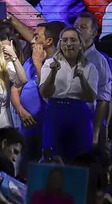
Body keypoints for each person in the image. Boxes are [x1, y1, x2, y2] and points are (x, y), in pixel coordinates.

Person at [13, 22, 66, 175]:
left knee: (42, 176)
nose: (32, 41)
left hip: (47, 131)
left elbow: (49, 94)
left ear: (49, 41)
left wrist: (38, 63)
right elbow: (15, 89)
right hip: (27, 130)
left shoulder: (60, 63)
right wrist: (20, 110)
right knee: (23, 175)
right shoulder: (29, 61)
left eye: (37, 37)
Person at [39, 28, 98, 162]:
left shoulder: (90, 67)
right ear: (60, 44)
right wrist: (53, 73)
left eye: (73, 40)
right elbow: (45, 92)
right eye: (64, 40)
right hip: (55, 112)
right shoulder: (49, 64)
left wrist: (82, 78)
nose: (68, 44)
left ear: (80, 44)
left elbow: (91, 98)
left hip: (79, 113)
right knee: (53, 156)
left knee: (79, 158)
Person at [74, 12, 112, 148]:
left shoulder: (99, 60)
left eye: (83, 27)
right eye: (75, 26)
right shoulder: (63, 55)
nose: (77, 30)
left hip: (88, 125)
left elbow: (104, 98)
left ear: (93, 33)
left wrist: (96, 132)